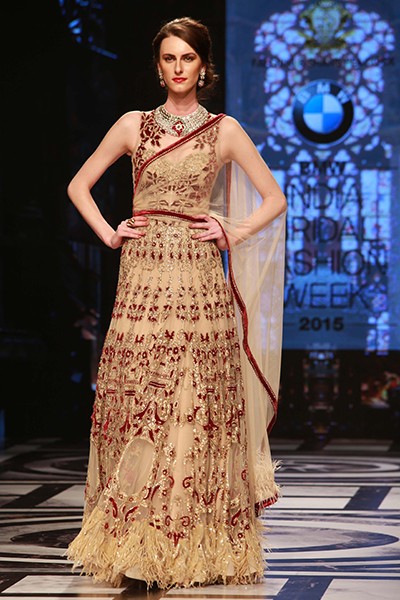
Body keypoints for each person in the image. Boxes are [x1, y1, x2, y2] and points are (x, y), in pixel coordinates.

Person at [66, 16, 287, 590]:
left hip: (199, 281)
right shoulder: (132, 125)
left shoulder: (224, 130)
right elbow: (78, 185)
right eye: (169, 58)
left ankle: (189, 546)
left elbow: (274, 198)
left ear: (204, 66)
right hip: (141, 280)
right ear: (158, 66)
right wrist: (110, 233)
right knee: (139, 399)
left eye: (188, 58)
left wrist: (231, 231)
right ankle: (137, 542)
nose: (179, 67)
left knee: (194, 404)